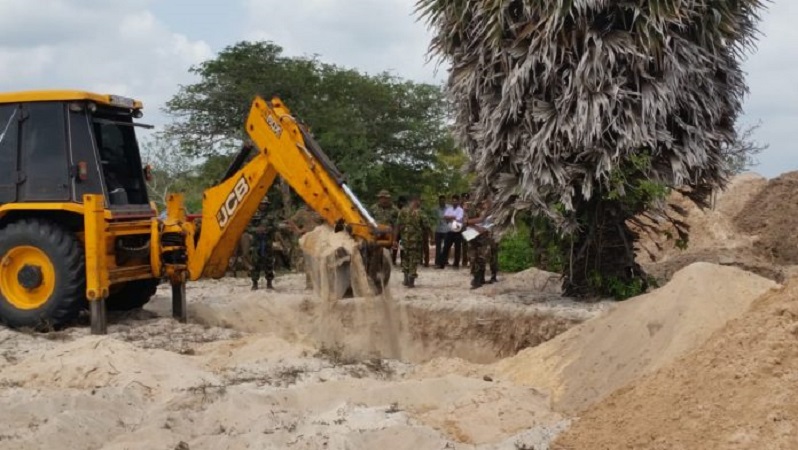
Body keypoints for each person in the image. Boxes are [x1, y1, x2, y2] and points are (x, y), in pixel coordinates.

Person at [396, 195, 429, 288]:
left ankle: (406, 280)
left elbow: (398, 226)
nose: (420, 203)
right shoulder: (420, 213)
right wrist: (430, 238)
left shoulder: (402, 211)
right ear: (415, 201)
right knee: (413, 260)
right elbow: (426, 227)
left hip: (405, 240)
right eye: (419, 201)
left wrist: (396, 239)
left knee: (405, 259)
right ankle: (411, 281)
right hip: (415, 241)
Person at [248, 198, 276, 290]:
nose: (263, 206)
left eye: (265, 204)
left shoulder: (271, 216)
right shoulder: (253, 215)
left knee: (269, 262)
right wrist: (256, 230)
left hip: (267, 242)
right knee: (255, 262)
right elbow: (247, 227)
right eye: (261, 204)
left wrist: (267, 229)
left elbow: (276, 226)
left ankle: (269, 282)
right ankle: (255, 283)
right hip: (256, 243)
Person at [464, 198, 493, 289]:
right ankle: (477, 278)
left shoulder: (490, 211)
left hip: (483, 237)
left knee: (481, 258)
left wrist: (469, 222)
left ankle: (479, 279)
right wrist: (473, 225)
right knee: (472, 258)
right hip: (472, 236)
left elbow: (481, 219)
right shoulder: (470, 208)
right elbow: (464, 220)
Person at [438, 194, 464, 269]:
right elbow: (445, 217)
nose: (454, 202)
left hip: (457, 230)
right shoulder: (449, 209)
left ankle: (456, 264)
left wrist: (451, 218)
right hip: (449, 230)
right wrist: (453, 217)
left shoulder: (460, 210)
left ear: (458, 201)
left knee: (457, 248)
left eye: (455, 201)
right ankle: (441, 264)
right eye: (453, 201)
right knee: (446, 247)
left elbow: (459, 219)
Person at [433, 195, 450, 268]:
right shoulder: (435, 209)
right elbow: (433, 219)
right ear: (439, 201)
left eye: (443, 201)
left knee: (445, 247)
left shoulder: (449, 208)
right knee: (438, 247)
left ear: (445, 201)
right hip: (438, 229)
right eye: (441, 201)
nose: (442, 202)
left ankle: (445, 261)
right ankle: (437, 262)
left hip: (446, 229)